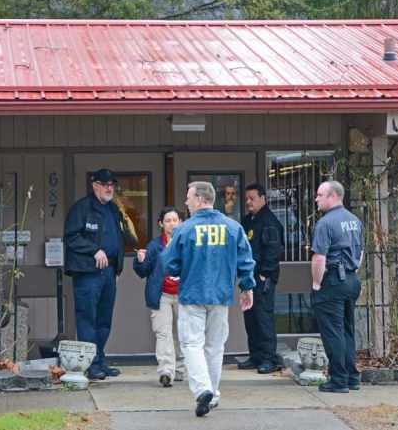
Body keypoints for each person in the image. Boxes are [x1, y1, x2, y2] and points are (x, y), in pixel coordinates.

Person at [161, 181, 256, 417]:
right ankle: (211, 393)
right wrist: (247, 289)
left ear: (199, 200)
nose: (186, 202)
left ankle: (203, 389)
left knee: (191, 344)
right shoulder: (233, 227)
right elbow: (245, 261)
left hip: (192, 295)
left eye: (189, 197)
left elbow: (169, 264)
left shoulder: (183, 229)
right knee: (214, 348)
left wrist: (181, 267)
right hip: (221, 296)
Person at [63, 168, 137, 380]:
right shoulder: (82, 208)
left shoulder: (114, 210)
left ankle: (99, 360)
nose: (109, 188)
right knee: (88, 317)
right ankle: (90, 364)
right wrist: (94, 250)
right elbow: (71, 236)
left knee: (104, 319)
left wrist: (118, 268)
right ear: (94, 185)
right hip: (88, 272)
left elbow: (125, 240)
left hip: (109, 272)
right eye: (105, 185)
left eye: (111, 185)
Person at [311, 180, 364, 393]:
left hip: (332, 280)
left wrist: (316, 283)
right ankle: (352, 377)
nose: (316, 198)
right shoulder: (354, 220)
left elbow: (318, 258)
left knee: (333, 332)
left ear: (333, 196)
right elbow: (360, 253)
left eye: (320, 195)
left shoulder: (325, 223)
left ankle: (339, 379)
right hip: (351, 279)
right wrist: (352, 272)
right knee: (347, 330)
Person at [133, 207, 186, 388]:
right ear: (161, 224)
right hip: (161, 295)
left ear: (180, 221)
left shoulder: (187, 242)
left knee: (181, 334)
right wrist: (139, 260)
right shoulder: (154, 246)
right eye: (168, 221)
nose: (172, 224)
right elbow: (143, 271)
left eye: (175, 220)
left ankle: (179, 368)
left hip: (183, 295)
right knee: (163, 333)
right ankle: (166, 371)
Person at [238, 183, 284, 374]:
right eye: (247, 199)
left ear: (263, 199)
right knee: (251, 319)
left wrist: (264, 274)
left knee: (263, 318)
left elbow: (273, 251)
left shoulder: (269, 222)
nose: (248, 202)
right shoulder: (248, 221)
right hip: (249, 278)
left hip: (262, 279)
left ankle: (268, 359)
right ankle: (256, 356)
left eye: (252, 198)